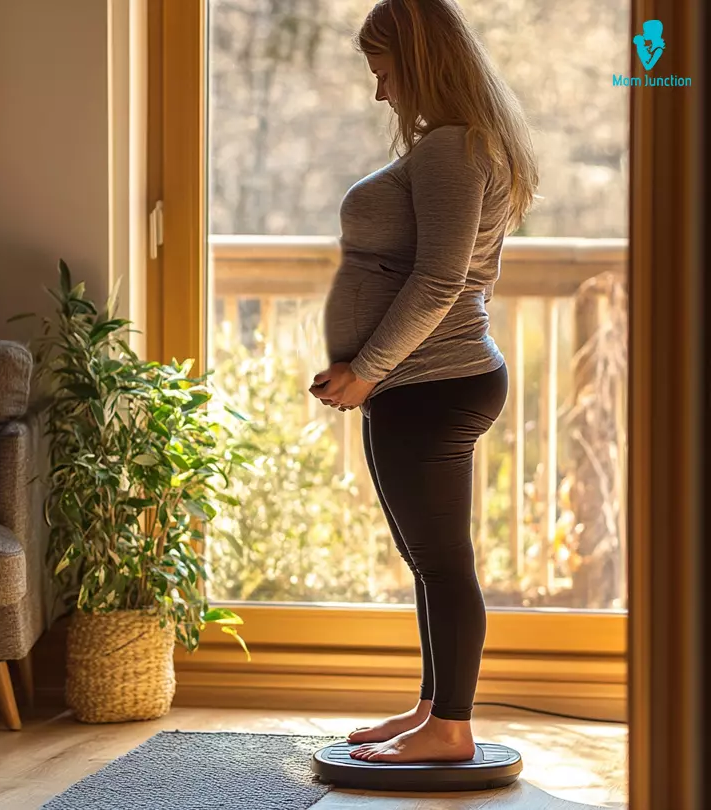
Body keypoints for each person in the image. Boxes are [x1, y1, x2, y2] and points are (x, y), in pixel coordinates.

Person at [309, 0, 538, 764]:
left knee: (442, 562)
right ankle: (433, 709)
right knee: (432, 560)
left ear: (421, 63)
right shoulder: (466, 145)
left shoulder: (452, 149)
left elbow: (441, 279)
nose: (381, 94)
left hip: (431, 380)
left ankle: (451, 730)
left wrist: (368, 370)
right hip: (432, 379)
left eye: (385, 73)